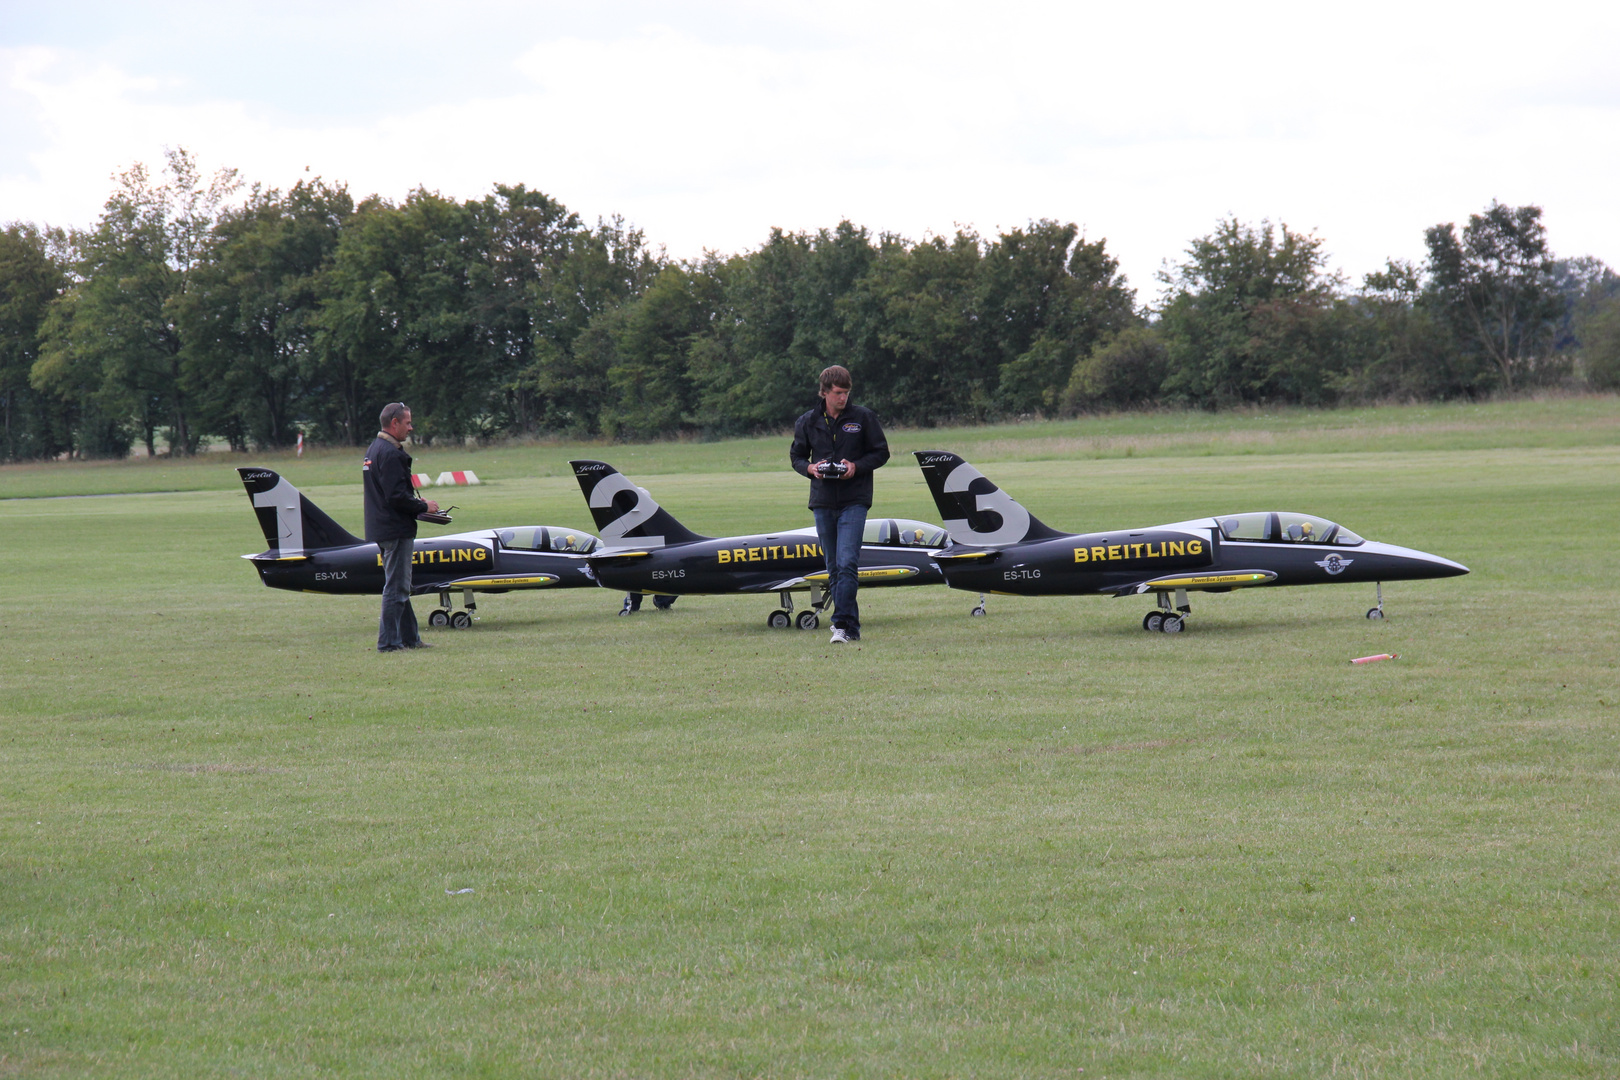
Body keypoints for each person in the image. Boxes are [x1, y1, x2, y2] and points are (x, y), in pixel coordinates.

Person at [790, 365, 889, 644]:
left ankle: (840, 625)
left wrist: (855, 466)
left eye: (846, 393)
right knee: (833, 567)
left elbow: (881, 453)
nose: (843, 398)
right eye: (837, 393)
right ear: (824, 392)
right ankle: (852, 627)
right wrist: (811, 468)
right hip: (822, 501)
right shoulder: (807, 421)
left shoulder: (863, 417)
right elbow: (797, 456)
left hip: (854, 500)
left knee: (847, 563)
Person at [363, 402, 439, 652]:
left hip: (381, 527)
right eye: (407, 423)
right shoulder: (391, 453)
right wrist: (423, 506)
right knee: (396, 587)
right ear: (394, 423)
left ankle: (409, 638)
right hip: (395, 529)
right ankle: (389, 643)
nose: (411, 427)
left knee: (400, 584)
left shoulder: (374, 449)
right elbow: (396, 496)